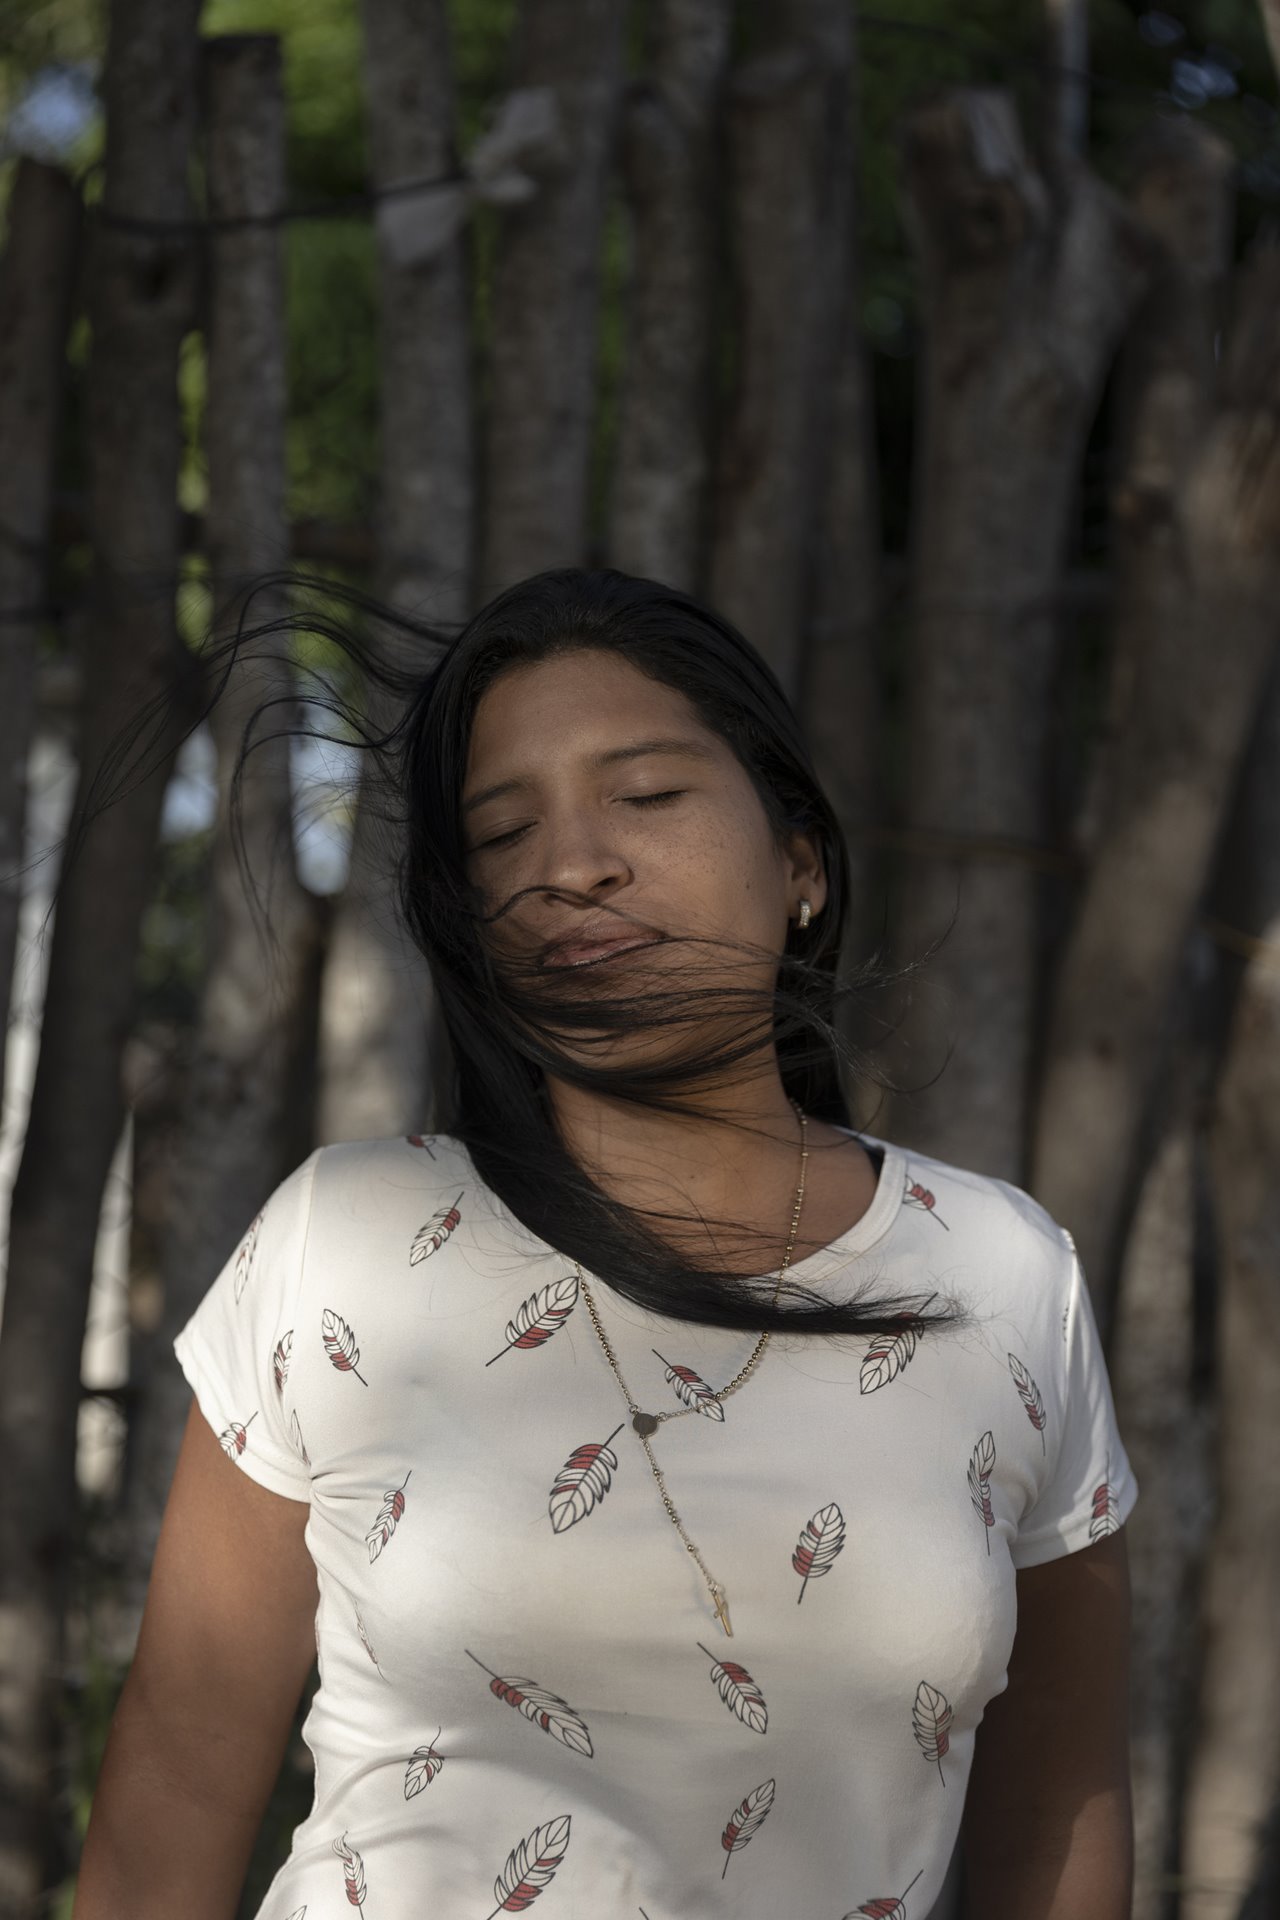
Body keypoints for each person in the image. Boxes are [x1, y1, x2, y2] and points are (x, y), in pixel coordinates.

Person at [74, 569, 1136, 1920]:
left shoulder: (1002, 1277)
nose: (573, 867)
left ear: (799, 861)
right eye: (503, 836)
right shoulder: (348, 1244)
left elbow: (1061, 1831)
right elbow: (165, 1816)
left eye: (647, 797)